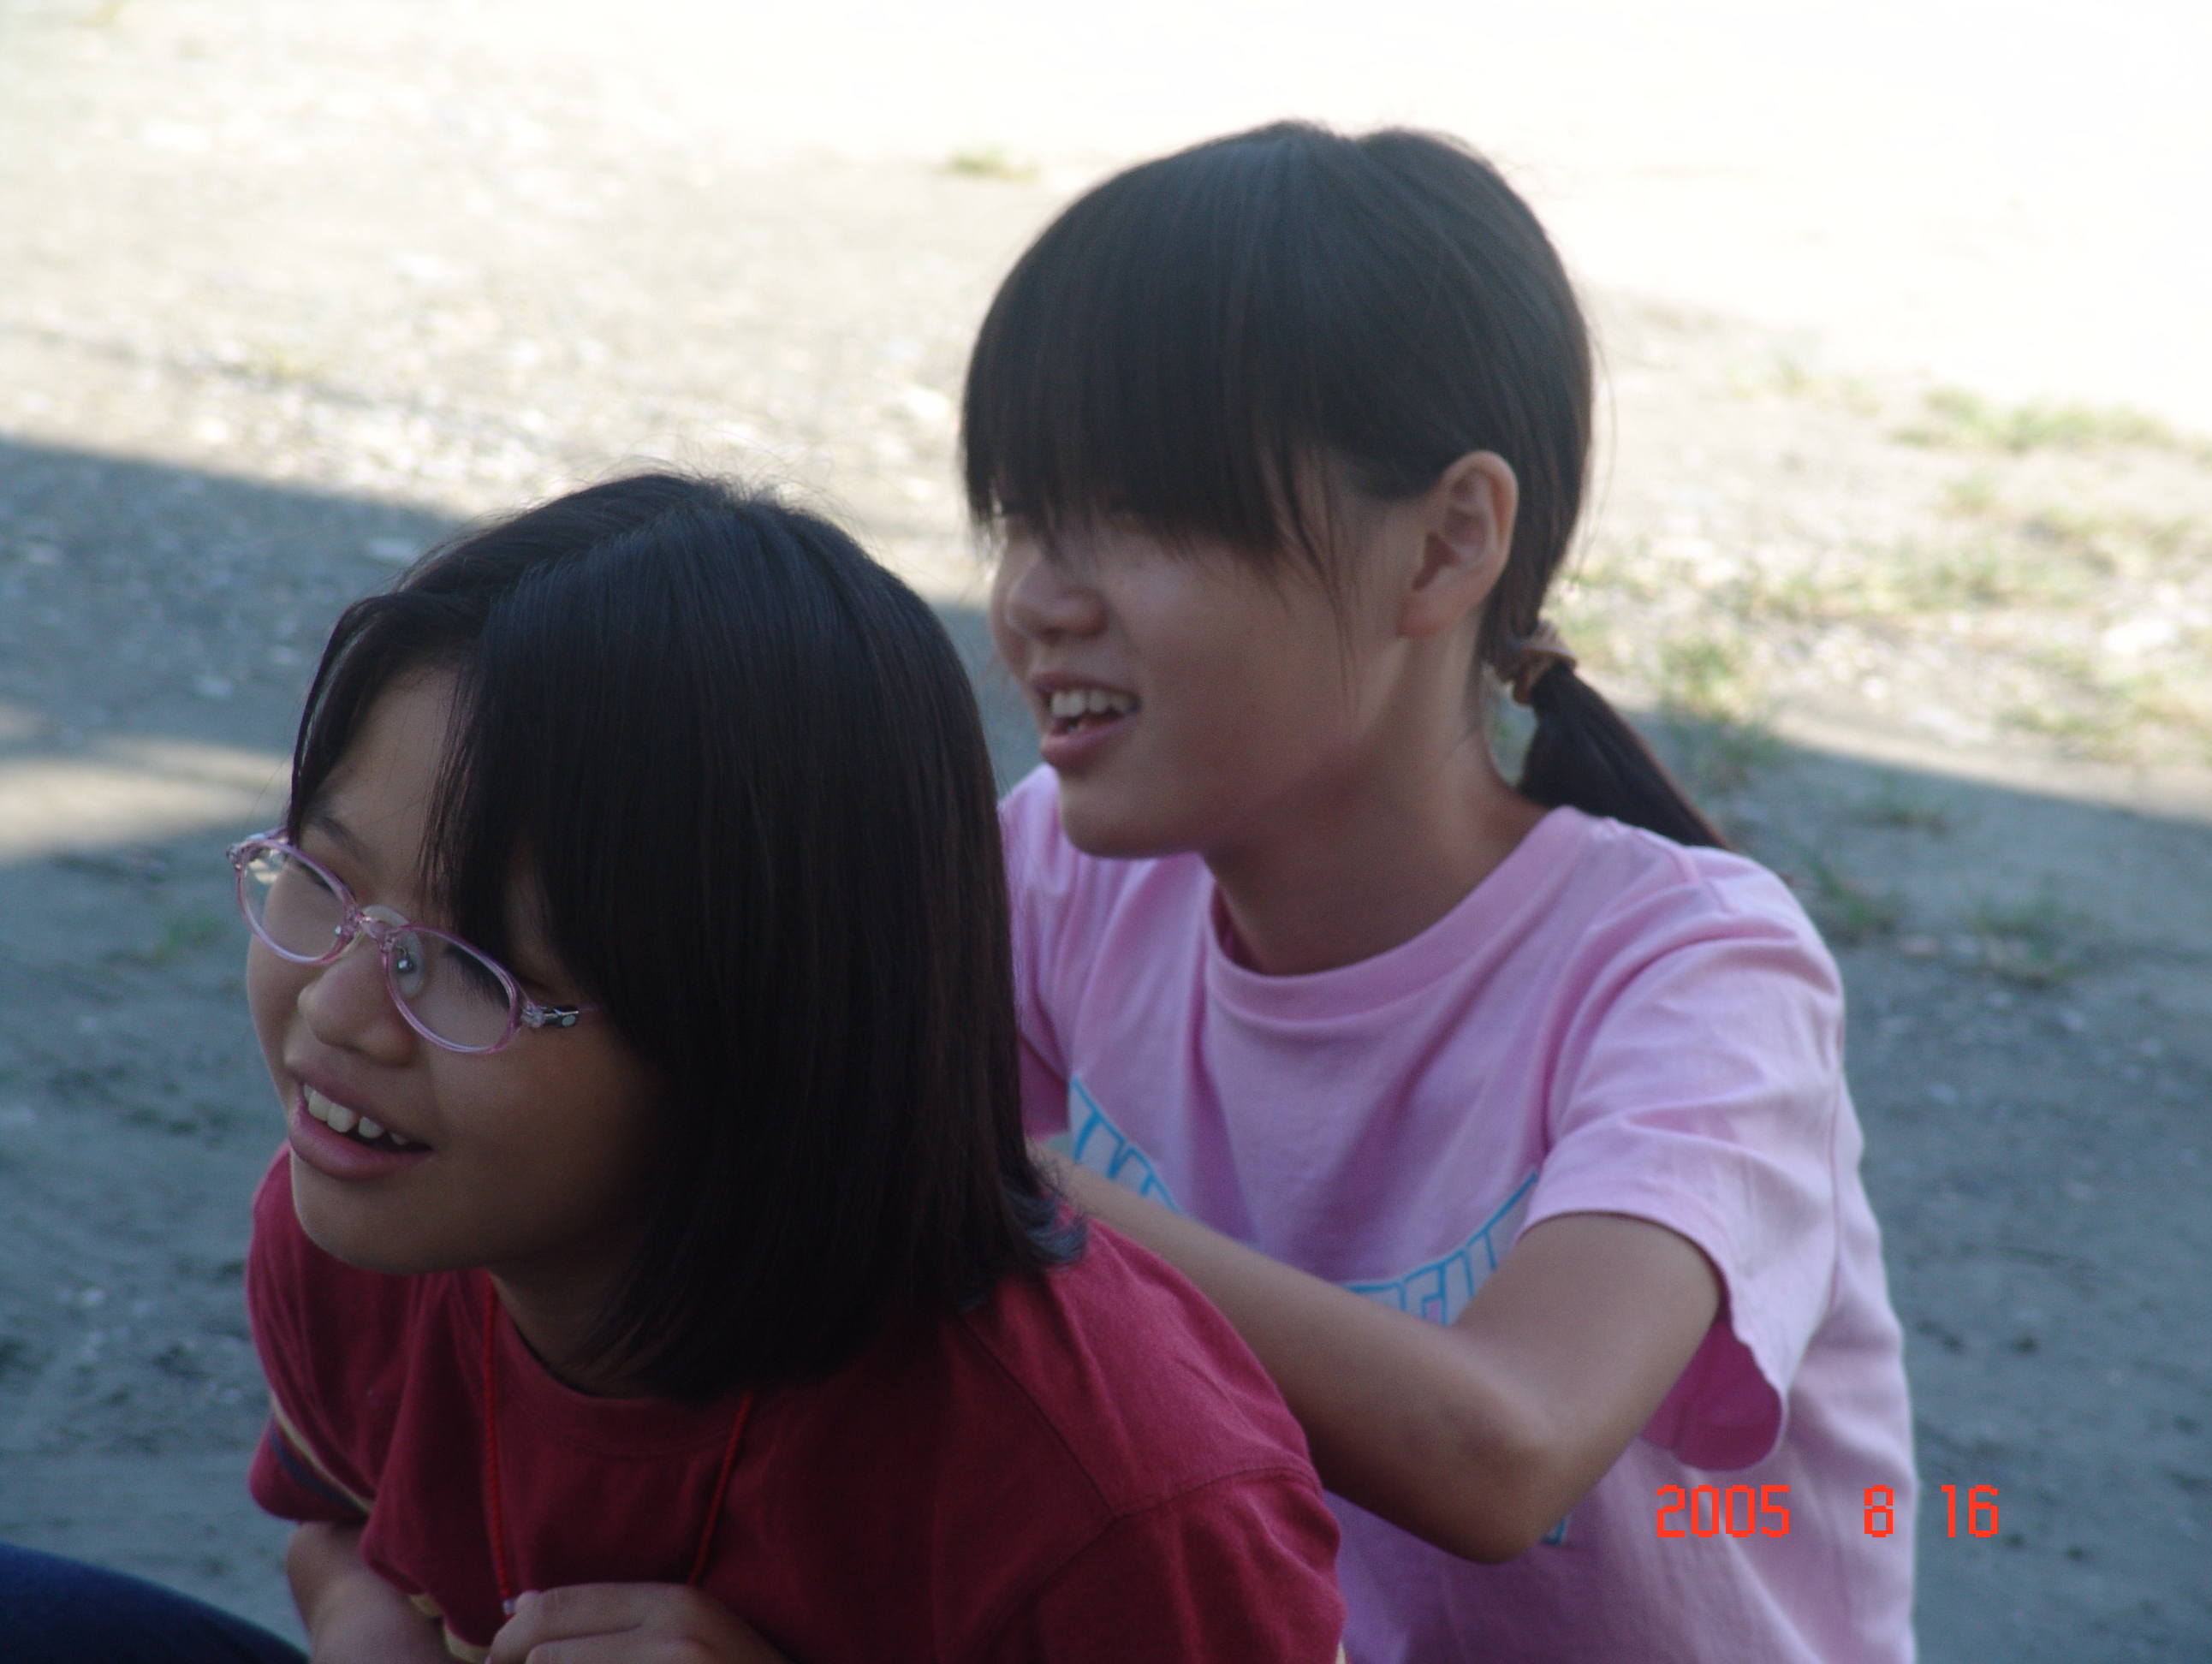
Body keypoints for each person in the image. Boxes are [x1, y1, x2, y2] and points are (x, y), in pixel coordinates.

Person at [9, 475, 1344, 1664]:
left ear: (757, 1031)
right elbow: (343, 1523)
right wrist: (368, 1628)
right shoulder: (364, 1223)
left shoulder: (1112, 1501)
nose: (340, 1010)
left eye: (471, 964)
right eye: (321, 878)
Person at [967, 122, 1918, 1663]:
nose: (1034, 599)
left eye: (1139, 511)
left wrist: (988, 1185)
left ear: (1446, 544)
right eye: (1021, 516)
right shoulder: (1056, 879)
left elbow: (1505, 1445)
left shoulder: (1696, 975)